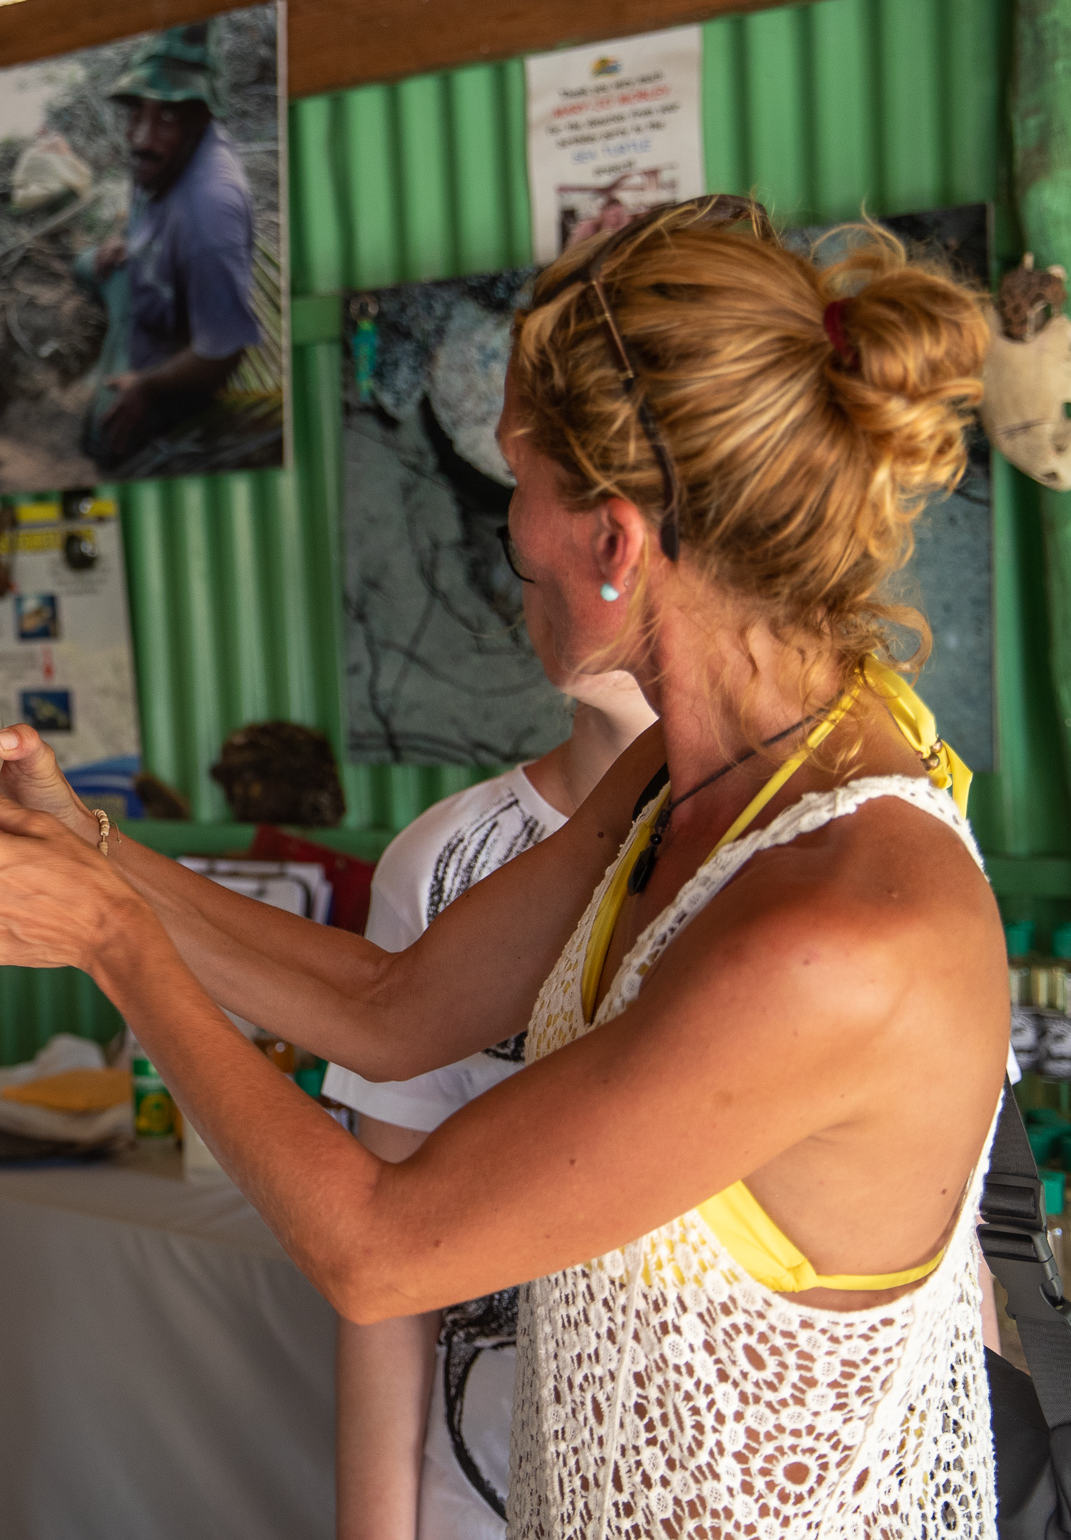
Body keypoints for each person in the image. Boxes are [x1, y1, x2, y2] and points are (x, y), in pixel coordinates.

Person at [0, 199, 1005, 1534]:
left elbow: (380, 1245)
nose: (507, 536)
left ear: (616, 540)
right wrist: (81, 842)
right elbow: (396, 1009)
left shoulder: (833, 929)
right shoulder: (711, 770)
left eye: (519, 484)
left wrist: (112, 936)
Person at [323, 659, 651, 1540]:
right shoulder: (451, 856)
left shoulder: (838, 837)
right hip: (485, 1487)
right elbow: (384, 1267)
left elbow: (942, 1229)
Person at [81, 20, 262, 466]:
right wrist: (131, 241)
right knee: (85, 266)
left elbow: (222, 353)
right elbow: (148, 205)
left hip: (173, 342)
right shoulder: (159, 154)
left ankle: (134, 366)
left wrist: (149, 386)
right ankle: (114, 330)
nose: (141, 137)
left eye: (166, 115)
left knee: (100, 439)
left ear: (200, 117)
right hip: (146, 280)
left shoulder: (210, 215)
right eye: (137, 111)